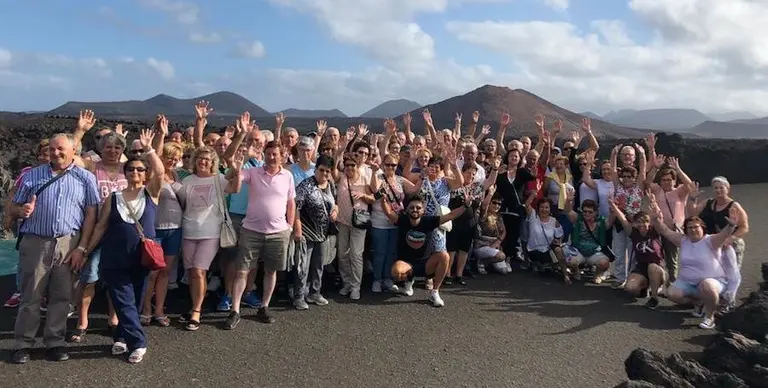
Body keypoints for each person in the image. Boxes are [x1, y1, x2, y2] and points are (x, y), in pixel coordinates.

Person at [9, 133, 100, 364]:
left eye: (60, 149)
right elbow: (13, 206)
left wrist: (82, 247)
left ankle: (55, 341)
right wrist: (21, 212)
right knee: (31, 295)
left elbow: (91, 215)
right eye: (52, 149)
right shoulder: (33, 175)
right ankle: (23, 344)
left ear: (73, 152)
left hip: (69, 242)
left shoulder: (85, 178)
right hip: (36, 241)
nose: (55, 153)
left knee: (62, 295)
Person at [82, 129, 164, 363]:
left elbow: (160, 171)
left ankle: (121, 336)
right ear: (124, 172)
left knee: (135, 300)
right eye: (131, 169)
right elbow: (100, 226)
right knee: (122, 299)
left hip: (141, 256)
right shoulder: (114, 197)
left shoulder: (151, 193)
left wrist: (149, 150)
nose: (135, 172)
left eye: (140, 169)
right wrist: (86, 250)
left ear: (145, 173)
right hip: (115, 256)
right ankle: (138, 342)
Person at [226, 140, 294, 329]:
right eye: (269, 153)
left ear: (282, 155)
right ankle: (235, 310)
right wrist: (238, 166)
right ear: (264, 154)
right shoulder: (253, 172)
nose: (272, 157)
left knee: (271, 271)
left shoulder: (287, 176)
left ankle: (264, 306)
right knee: (242, 271)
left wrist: (289, 225)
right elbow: (235, 184)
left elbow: (291, 203)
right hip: (251, 231)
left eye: (275, 154)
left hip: (278, 233)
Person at [650, 200, 742, 330]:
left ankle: (710, 317)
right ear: (686, 230)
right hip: (688, 283)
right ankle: (699, 303)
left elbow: (723, 235)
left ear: (702, 228)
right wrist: (655, 219)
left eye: (696, 227)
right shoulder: (683, 240)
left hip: (713, 282)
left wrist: (731, 226)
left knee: (707, 285)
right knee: (671, 293)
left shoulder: (711, 240)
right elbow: (664, 230)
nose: (693, 230)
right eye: (690, 228)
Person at [381, 194, 470, 307]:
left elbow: (451, 215)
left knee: (444, 256)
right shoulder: (402, 220)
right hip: (407, 264)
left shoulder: (429, 221)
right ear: (407, 209)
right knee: (396, 271)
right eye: (412, 207)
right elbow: (388, 212)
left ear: (423, 210)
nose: (415, 210)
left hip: (426, 264)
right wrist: (382, 200)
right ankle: (409, 280)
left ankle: (435, 292)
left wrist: (466, 206)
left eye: (418, 208)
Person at [291, 155, 337, 310]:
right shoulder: (305, 185)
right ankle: (298, 296)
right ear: (315, 169)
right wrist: (297, 228)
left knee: (319, 265)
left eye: (327, 171)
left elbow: (335, 203)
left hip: (323, 233)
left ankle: (315, 292)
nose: (324, 174)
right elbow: (296, 208)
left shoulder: (331, 185)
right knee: (302, 265)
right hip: (306, 231)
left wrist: (336, 210)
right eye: (321, 170)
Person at [608, 198, 665, 309]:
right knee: (630, 288)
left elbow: (659, 218)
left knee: (652, 267)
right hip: (641, 268)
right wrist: (614, 206)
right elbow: (623, 219)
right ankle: (645, 287)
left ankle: (654, 298)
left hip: (657, 267)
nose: (642, 224)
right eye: (639, 221)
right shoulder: (633, 233)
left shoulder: (655, 232)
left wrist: (654, 204)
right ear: (634, 224)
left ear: (649, 222)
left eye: (645, 221)